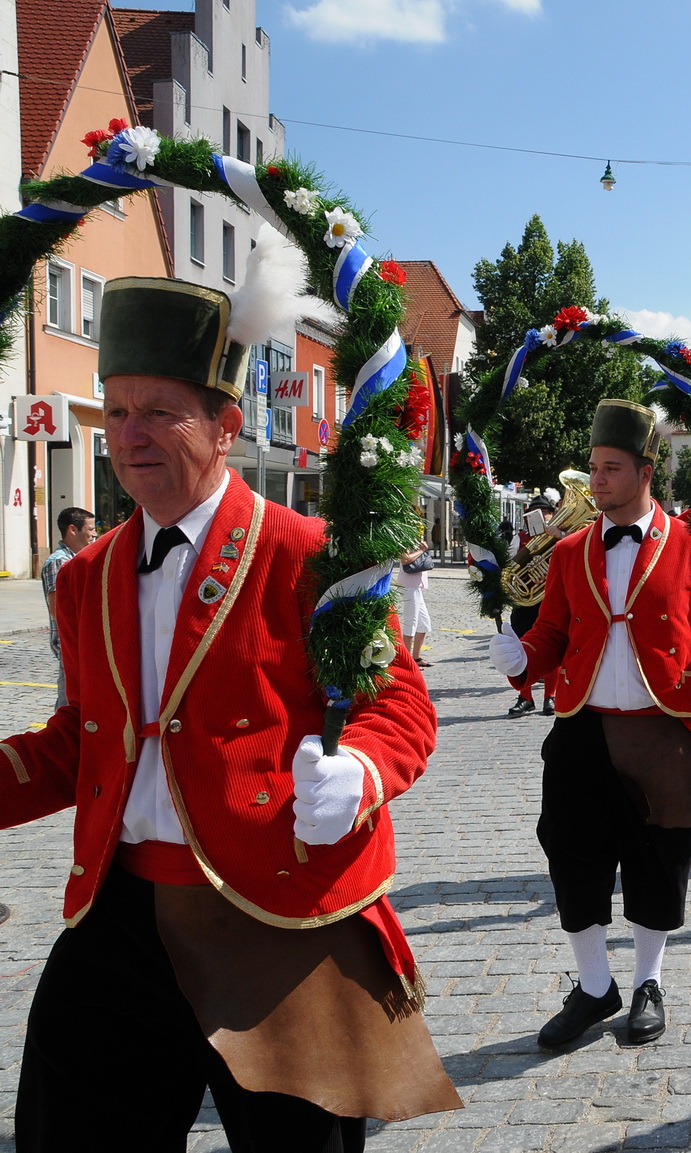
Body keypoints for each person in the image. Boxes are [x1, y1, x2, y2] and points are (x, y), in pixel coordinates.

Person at [2, 273, 458, 1149]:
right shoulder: (89, 574)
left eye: (159, 412)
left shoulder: (311, 554)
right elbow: (81, 743)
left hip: (276, 910)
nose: (128, 436)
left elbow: (398, 702)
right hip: (120, 912)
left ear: (225, 426)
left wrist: (361, 770)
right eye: (118, 409)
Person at [489, 399, 691, 1048]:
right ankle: (593, 984)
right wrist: (523, 657)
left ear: (644, 471)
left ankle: (645, 983)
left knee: (655, 858)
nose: (596, 480)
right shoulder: (573, 549)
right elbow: (553, 631)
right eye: (593, 468)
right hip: (580, 725)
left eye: (610, 468)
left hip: (663, 725)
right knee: (568, 849)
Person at [506, 491, 565, 718]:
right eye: (537, 513)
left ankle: (550, 695)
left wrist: (558, 535)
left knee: (553, 644)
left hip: (551, 596)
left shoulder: (561, 536)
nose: (544, 517)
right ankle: (525, 697)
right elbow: (510, 565)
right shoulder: (519, 537)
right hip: (524, 599)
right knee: (521, 645)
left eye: (547, 513)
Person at [40, 505, 97, 708]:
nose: (94, 534)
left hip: (82, 641)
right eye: (90, 529)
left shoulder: (78, 559)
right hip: (71, 642)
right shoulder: (58, 562)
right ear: (73, 529)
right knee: (69, 704)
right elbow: (58, 610)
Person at [395, 536, 434, 669]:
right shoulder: (404, 539)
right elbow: (405, 559)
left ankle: (416, 657)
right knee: (410, 622)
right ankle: (407, 661)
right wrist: (422, 551)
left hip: (416, 586)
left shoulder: (414, 540)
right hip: (409, 586)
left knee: (424, 623)